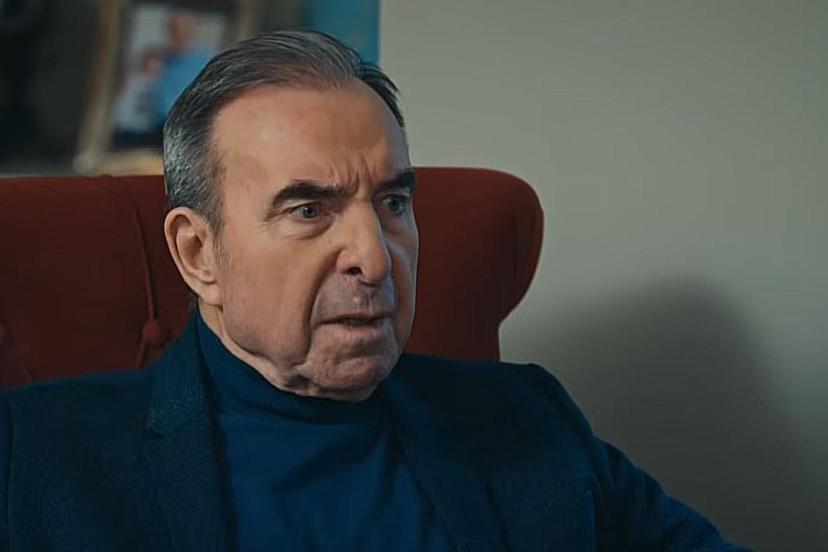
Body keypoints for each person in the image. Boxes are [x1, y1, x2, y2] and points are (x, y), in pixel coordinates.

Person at [0, 31, 749, 551]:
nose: (375, 257)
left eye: (393, 202)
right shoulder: (32, 454)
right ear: (199, 255)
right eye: (308, 209)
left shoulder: (528, 416)